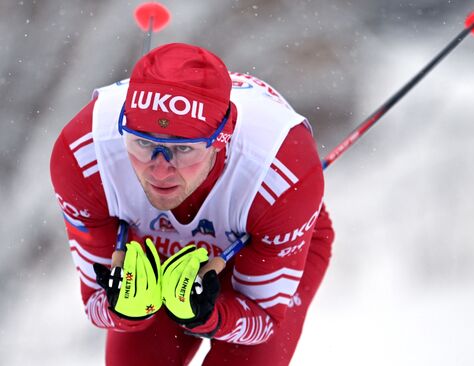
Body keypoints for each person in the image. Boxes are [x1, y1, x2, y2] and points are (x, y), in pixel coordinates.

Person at [50, 42, 334, 366]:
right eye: (143, 143)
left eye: (183, 149)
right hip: (152, 259)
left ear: (221, 140)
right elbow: (95, 304)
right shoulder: (84, 156)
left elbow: (263, 320)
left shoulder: (282, 178)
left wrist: (210, 317)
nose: (159, 169)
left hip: (256, 242)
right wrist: (124, 308)